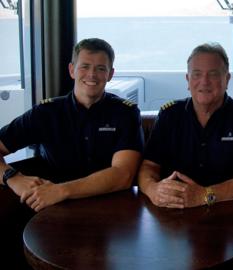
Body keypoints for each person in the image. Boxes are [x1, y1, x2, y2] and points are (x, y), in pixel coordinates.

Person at [0, 38, 144, 266]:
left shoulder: (124, 113)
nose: (92, 75)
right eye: (85, 66)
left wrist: (61, 191)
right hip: (52, 213)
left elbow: (122, 174)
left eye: (100, 68)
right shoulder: (46, 113)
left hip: (110, 213)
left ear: (110, 74)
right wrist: (12, 177)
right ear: (72, 70)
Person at [138, 43, 233, 209]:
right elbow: (149, 166)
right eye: (197, 74)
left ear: (226, 79)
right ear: (188, 80)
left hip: (229, 212)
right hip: (173, 213)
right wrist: (152, 190)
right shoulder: (170, 115)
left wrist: (204, 195)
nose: (204, 82)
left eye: (213, 74)